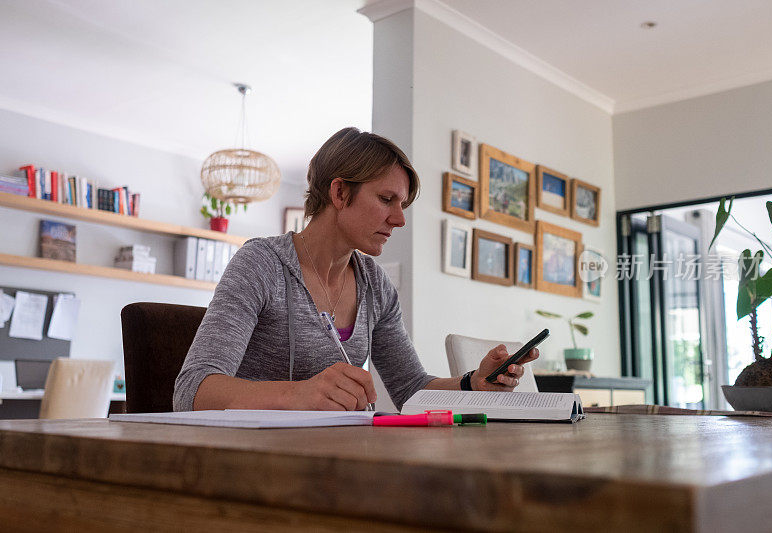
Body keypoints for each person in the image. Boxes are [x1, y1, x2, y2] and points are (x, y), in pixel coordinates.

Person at [174, 127, 538, 412]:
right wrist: (299, 395)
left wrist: (473, 382)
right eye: (386, 200)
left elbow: (410, 388)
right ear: (339, 193)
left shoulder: (374, 284)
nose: (398, 219)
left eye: (403, 205)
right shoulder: (261, 265)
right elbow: (192, 390)